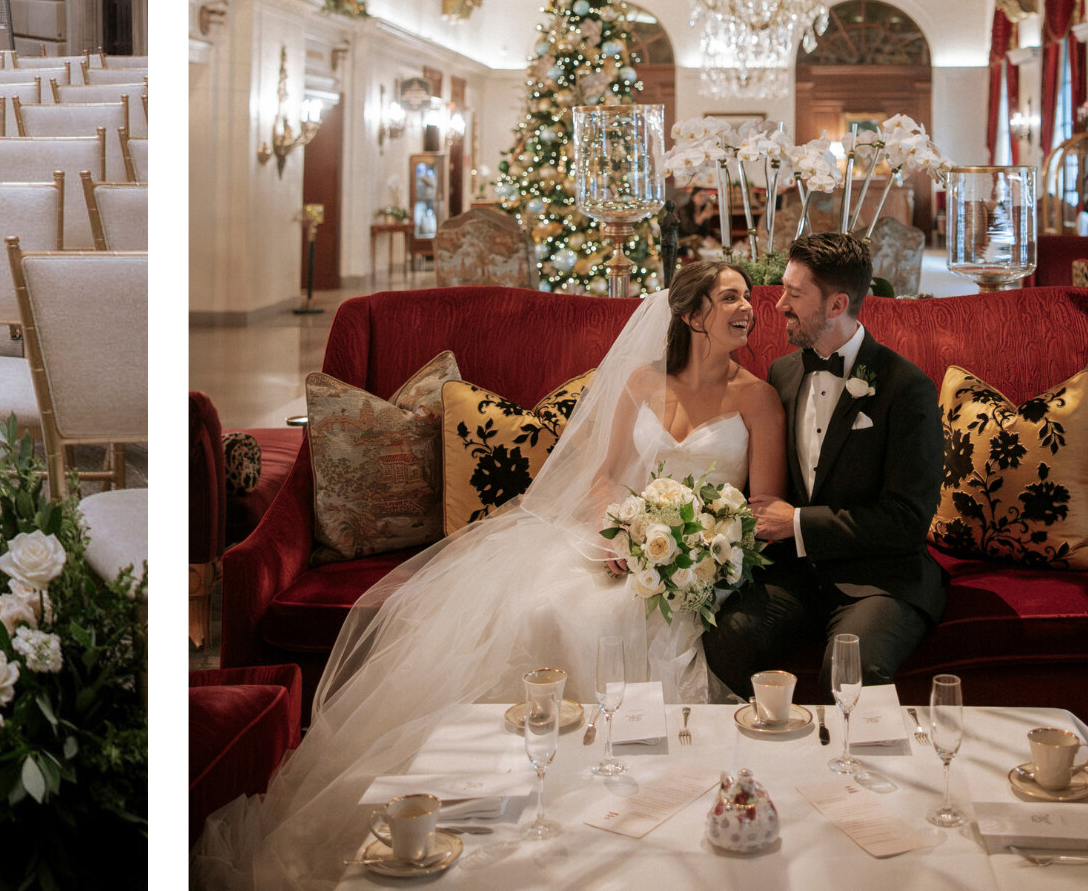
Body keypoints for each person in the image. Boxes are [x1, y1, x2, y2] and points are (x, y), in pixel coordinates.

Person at [196, 260, 786, 886]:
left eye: (747, 297)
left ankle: (621, 811)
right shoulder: (642, 382)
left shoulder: (758, 398)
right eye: (731, 297)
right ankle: (527, 799)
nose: (749, 308)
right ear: (693, 315)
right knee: (546, 607)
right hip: (620, 544)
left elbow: (762, 509)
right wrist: (620, 532)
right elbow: (606, 476)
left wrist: (700, 547)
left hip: (702, 564)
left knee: (612, 620)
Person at [703, 230, 947, 694]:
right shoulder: (783, 373)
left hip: (880, 578)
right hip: (797, 576)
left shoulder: (905, 388)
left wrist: (796, 522)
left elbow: (907, 520)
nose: (778, 306)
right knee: (726, 639)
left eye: (794, 295)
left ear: (836, 306)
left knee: (851, 671)